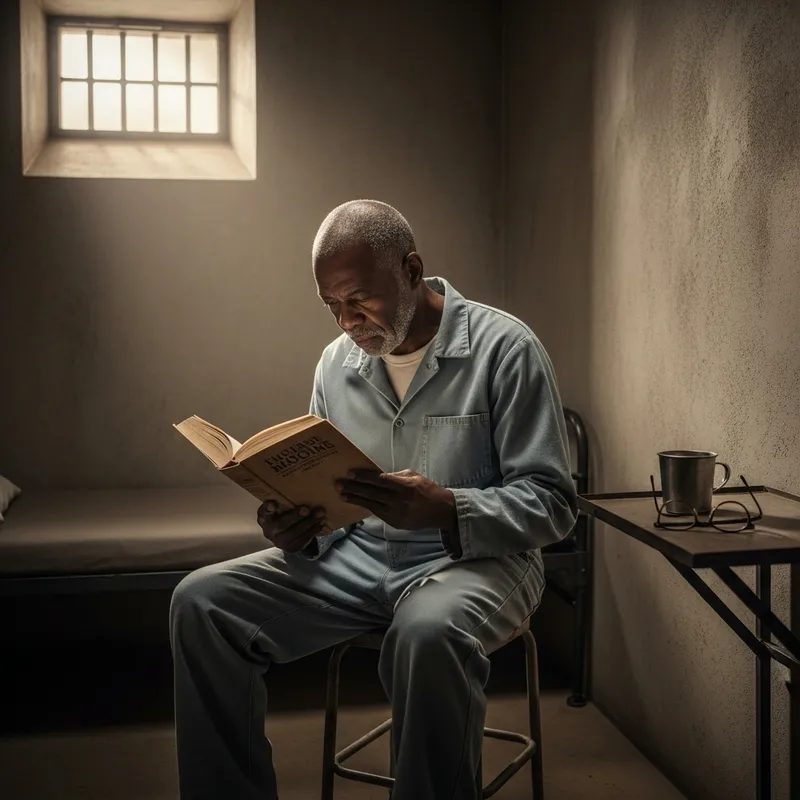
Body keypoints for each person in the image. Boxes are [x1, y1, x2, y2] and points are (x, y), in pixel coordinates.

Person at [169, 199, 578, 800]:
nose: (346, 321)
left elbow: (553, 505)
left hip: (481, 564)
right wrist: (298, 527)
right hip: (357, 559)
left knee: (427, 632)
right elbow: (323, 485)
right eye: (331, 306)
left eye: (359, 298)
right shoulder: (336, 365)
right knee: (200, 604)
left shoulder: (505, 349)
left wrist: (447, 510)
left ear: (412, 270)